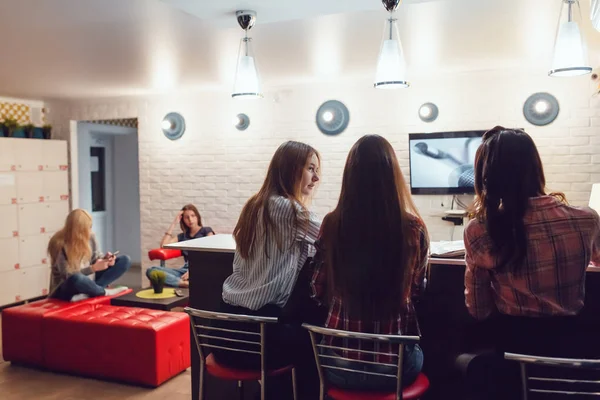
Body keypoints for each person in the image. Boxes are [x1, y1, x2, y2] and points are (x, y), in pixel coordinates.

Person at [462, 126, 600, 399]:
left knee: (470, 365)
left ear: (486, 177)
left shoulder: (479, 231)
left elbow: (478, 310)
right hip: (575, 356)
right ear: (536, 166)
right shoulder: (586, 219)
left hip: (515, 362)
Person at [310, 134, 429, 391]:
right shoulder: (412, 228)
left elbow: (317, 289)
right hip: (393, 371)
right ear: (393, 177)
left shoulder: (332, 224)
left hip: (337, 365)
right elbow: (417, 291)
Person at [216, 140, 322, 399]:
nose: (316, 177)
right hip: (260, 337)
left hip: (225, 333)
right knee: (319, 343)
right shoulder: (288, 209)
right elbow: (335, 237)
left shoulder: (253, 205)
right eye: (310, 168)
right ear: (290, 169)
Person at [48, 209, 130, 302]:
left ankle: (91, 292)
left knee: (125, 260)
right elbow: (67, 275)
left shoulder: (91, 237)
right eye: (88, 227)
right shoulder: (59, 243)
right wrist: (93, 268)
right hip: (65, 288)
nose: (90, 230)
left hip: (89, 281)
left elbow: (96, 258)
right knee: (77, 278)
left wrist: (105, 260)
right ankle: (103, 292)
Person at [146, 204, 214, 288]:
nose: (190, 219)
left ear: (197, 217)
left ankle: (178, 282)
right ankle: (181, 283)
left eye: (193, 216)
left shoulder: (206, 231)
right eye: (186, 217)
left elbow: (211, 252)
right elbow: (163, 245)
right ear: (183, 220)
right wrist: (174, 223)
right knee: (151, 270)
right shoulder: (182, 236)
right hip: (184, 270)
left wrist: (193, 271)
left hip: (201, 269)